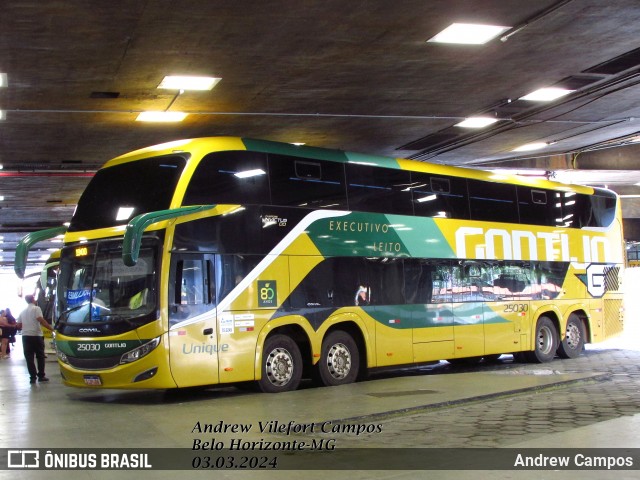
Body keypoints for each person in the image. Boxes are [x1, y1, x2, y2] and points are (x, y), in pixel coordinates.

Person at [16, 295, 53, 384]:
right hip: (36, 336)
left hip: (25, 337)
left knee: (29, 357)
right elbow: (40, 319)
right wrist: (51, 328)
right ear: (33, 299)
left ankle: (32, 377)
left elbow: (18, 325)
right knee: (40, 356)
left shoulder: (22, 312)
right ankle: (41, 376)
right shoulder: (36, 308)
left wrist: (27, 326)